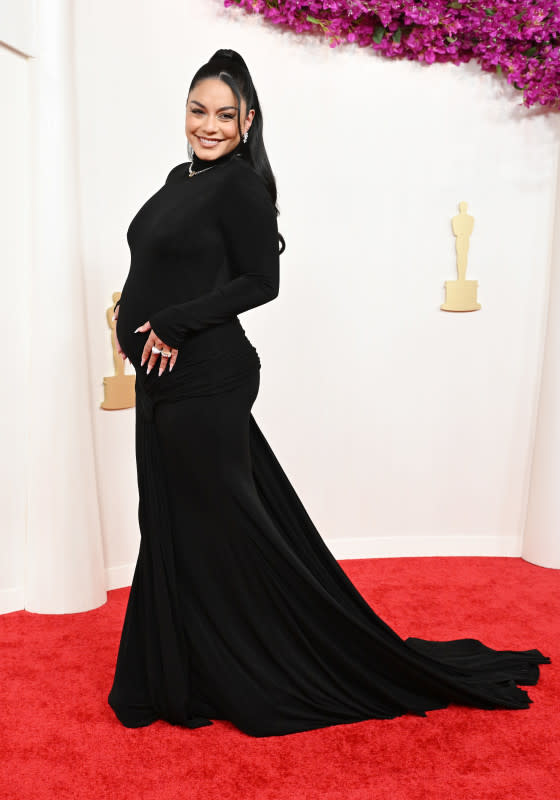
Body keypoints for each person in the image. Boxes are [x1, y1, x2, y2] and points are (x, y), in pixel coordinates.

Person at [107, 48, 550, 738]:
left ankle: (268, 666)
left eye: (226, 114)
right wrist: (136, 325)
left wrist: (169, 320)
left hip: (209, 379)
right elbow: (170, 268)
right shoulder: (179, 178)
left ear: (249, 121)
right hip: (163, 381)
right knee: (171, 524)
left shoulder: (241, 189)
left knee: (223, 531)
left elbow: (260, 282)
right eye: (199, 110)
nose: (209, 124)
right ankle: (184, 671)